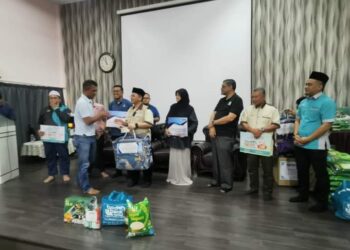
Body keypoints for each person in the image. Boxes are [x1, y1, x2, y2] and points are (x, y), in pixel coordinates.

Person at [289, 71, 336, 212]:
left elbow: (326, 125)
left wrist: (308, 139)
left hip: (317, 145)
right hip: (300, 143)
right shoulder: (303, 102)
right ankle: (303, 195)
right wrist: (296, 134)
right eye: (306, 84)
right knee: (302, 170)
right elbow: (298, 119)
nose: (306, 87)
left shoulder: (327, 102)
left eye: (309, 84)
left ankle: (322, 202)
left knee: (320, 173)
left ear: (320, 86)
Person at [241, 88, 280, 201]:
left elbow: (276, 124)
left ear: (263, 97)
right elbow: (243, 122)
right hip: (251, 144)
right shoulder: (248, 109)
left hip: (266, 144)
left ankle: (267, 192)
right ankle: (254, 188)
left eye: (256, 97)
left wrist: (261, 129)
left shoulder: (272, 109)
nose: (253, 99)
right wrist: (252, 130)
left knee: (267, 170)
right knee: (252, 168)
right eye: (252, 97)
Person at [207, 79, 243, 193]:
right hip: (215, 133)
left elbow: (230, 117)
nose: (221, 88)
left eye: (223, 86)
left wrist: (214, 123)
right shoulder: (222, 100)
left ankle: (227, 185)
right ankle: (216, 181)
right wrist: (211, 127)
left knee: (225, 161)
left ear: (231, 87)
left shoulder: (237, 100)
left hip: (226, 135)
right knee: (216, 160)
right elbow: (214, 113)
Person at [74, 80, 108, 195]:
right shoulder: (82, 102)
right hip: (83, 137)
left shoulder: (89, 101)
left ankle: (80, 180)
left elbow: (91, 121)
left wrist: (96, 131)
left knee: (90, 160)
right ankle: (86, 188)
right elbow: (88, 121)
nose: (95, 93)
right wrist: (101, 115)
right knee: (84, 164)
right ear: (86, 90)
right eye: (93, 91)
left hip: (90, 136)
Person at [116, 87, 154, 187]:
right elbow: (128, 123)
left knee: (145, 159)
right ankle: (133, 179)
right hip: (131, 138)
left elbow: (149, 124)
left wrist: (136, 125)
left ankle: (147, 180)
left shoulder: (146, 110)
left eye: (133, 95)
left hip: (142, 139)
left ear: (140, 97)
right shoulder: (130, 109)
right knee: (132, 159)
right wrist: (122, 123)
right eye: (131, 95)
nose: (131, 97)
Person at [165, 89, 198, 185]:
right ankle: (174, 177)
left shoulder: (190, 108)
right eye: (176, 95)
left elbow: (194, 122)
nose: (177, 97)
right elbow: (168, 119)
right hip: (174, 137)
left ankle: (183, 176)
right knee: (175, 157)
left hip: (184, 138)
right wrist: (167, 128)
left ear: (184, 96)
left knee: (183, 157)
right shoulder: (173, 107)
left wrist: (186, 131)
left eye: (179, 95)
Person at [38, 90, 71, 183]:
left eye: (55, 98)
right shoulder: (44, 110)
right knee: (50, 156)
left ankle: (65, 173)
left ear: (59, 99)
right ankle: (51, 174)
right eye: (51, 98)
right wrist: (39, 131)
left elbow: (67, 119)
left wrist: (56, 109)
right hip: (48, 138)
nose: (53, 100)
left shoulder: (65, 109)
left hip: (61, 138)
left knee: (63, 156)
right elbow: (40, 123)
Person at [108, 84, 132, 177]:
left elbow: (130, 118)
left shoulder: (128, 103)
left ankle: (129, 173)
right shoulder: (111, 104)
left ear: (122, 92)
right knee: (116, 153)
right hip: (114, 132)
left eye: (117, 91)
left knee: (126, 152)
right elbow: (110, 117)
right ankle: (118, 171)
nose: (115, 93)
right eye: (114, 91)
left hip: (124, 133)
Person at [88, 102, 109, 178]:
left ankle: (102, 171)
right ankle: (88, 171)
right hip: (87, 134)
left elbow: (105, 119)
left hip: (98, 133)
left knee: (99, 153)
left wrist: (103, 128)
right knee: (88, 154)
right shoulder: (82, 106)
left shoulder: (100, 106)